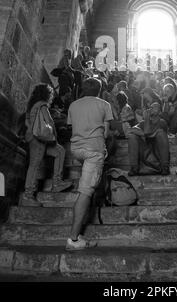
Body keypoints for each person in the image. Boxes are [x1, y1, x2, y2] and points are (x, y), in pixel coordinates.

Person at [66, 77, 113, 251]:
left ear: (83, 90)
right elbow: (106, 134)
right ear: (99, 90)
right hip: (94, 150)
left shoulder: (73, 105)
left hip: (76, 149)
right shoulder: (104, 104)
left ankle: (77, 234)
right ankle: (73, 239)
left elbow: (73, 126)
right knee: (85, 193)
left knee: (86, 188)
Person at [21, 84, 72, 207]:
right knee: (34, 165)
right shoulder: (42, 105)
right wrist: (54, 137)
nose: (52, 96)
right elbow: (49, 122)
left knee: (60, 151)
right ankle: (28, 195)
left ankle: (57, 183)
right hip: (38, 140)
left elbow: (28, 123)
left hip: (35, 139)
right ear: (46, 94)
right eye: (51, 94)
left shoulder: (32, 106)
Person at [127, 102, 170, 176]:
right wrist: (146, 133)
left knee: (160, 133)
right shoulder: (143, 123)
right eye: (151, 107)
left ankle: (164, 167)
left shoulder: (162, 122)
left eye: (155, 107)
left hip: (157, 151)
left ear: (159, 112)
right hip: (145, 151)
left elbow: (147, 132)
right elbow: (130, 130)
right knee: (132, 136)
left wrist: (146, 120)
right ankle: (134, 168)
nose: (151, 109)